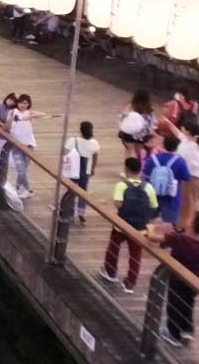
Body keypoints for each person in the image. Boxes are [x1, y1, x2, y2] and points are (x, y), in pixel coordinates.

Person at [100, 157, 158, 293]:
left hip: (122, 224)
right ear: (139, 170)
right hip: (140, 227)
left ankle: (111, 272)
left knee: (113, 248)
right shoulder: (148, 187)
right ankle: (130, 282)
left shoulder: (122, 185)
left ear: (126, 169)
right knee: (135, 255)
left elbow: (118, 203)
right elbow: (154, 206)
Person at [149, 213, 199, 347]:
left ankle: (173, 334)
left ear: (192, 224)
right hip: (194, 280)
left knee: (174, 304)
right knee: (188, 303)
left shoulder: (179, 239)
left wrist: (150, 228)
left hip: (177, 278)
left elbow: (153, 238)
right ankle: (187, 329)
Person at [9, 94, 56, 198]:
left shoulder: (29, 112)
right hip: (16, 144)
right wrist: (25, 117)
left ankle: (19, 187)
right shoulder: (13, 112)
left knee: (23, 168)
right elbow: (15, 119)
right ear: (18, 103)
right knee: (20, 169)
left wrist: (32, 115)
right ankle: (27, 189)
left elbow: (43, 114)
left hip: (29, 145)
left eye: (25, 103)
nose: (23, 105)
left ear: (29, 104)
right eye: (21, 102)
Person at [143, 136, 192, 227]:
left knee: (149, 222)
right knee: (170, 225)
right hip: (172, 198)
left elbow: (145, 174)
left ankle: (146, 240)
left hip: (152, 195)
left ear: (163, 145)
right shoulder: (180, 161)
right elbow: (187, 177)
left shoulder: (152, 159)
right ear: (177, 147)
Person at [66, 121, 101, 224]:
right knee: (83, 193)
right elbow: (95, 156)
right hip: (86, 171)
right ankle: (81, 214)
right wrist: (93, 169)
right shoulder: (94, 143)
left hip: (73, 169)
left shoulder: (73, 140)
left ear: (80, 129)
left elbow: (65, 153)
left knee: (71, 192)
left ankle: (70, 213)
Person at [119, 89, 156, 163]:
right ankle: (136, 169)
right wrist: (151, 134)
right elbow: (152, 123)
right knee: (137, 153)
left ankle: (127, 171)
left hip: (129, 134)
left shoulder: (131, 107)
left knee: (129, 151)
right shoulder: (150, 110)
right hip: (142, 135)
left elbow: (123, 117)